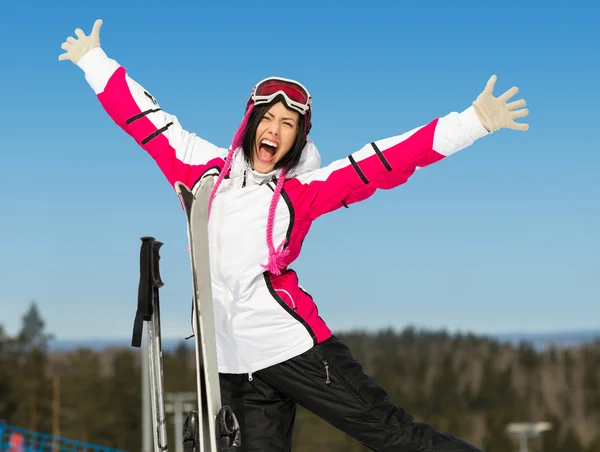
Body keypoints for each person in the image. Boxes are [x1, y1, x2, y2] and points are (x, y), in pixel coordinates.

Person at [58, 19, 529, 452]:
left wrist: (472, 122)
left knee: (392, 435)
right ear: (250, 122)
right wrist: (93, 60)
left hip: (293, 348)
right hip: (225, 364)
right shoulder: (199, 169)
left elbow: (383, 161)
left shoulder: (301, 192)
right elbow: (144, 118)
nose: (275, 129)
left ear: (298, 138)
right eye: (268, 117)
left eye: (289, 124)